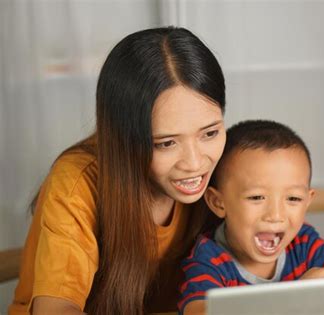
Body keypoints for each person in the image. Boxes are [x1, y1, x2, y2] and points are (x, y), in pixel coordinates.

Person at [9, 26, 227, 315]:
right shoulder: (76, 181)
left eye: (209, 133)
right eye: (166, 143)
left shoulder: (229, 167)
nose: (195, 163)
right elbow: (56, 310)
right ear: (123, 137)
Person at [179, 120, 324, 315]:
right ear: (218, 203)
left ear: (307, 201)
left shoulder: (303, 243)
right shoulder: (208, 260)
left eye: (293, 198)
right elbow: (197, 311)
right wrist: (293, 298)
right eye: (256, 197)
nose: (275, 215)